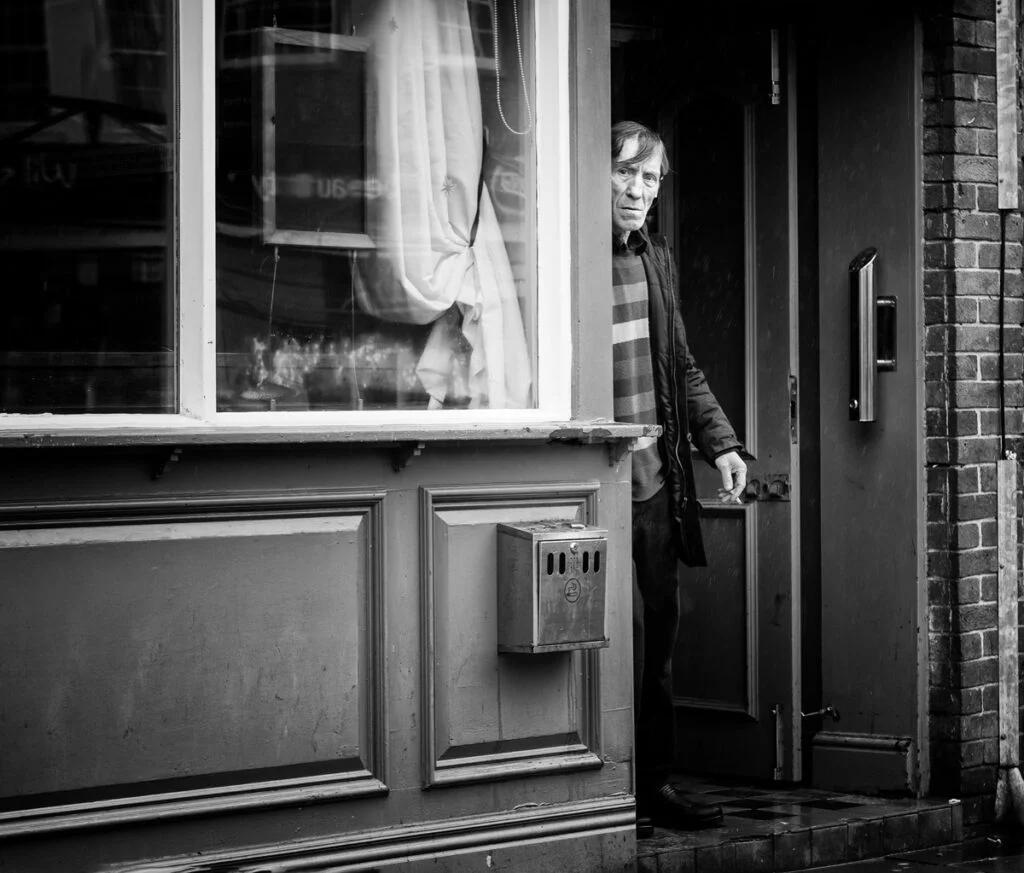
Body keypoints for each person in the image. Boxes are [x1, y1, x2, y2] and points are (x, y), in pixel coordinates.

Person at [610, 120, 747, 831]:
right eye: (625, 173)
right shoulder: (567, 254)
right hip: (594, 485)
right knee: (613, 641)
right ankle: (603, 798)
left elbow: (681, 366)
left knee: (657, 640)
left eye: (650, 179)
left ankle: (652, 789)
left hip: (656, 484)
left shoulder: (652, 259)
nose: (637, 191)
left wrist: (719, 443)